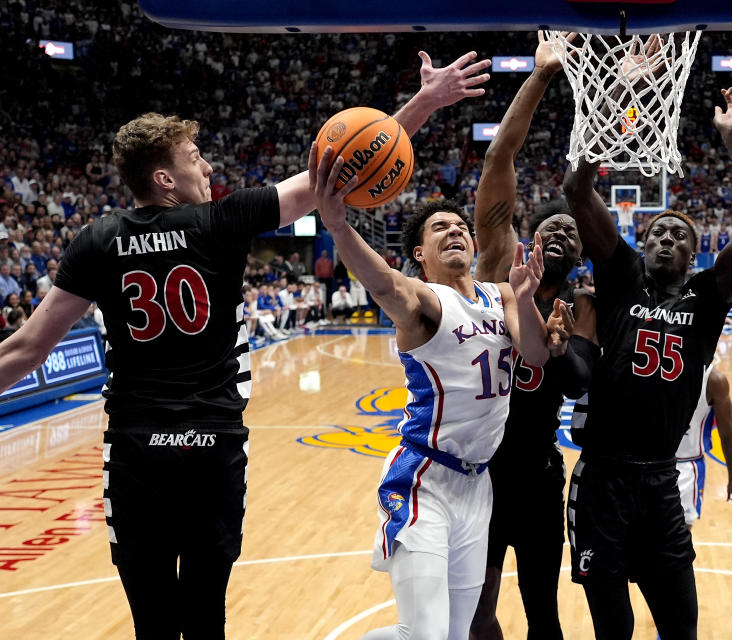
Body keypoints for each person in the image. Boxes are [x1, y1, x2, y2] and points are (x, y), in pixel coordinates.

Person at [0, 49, 492, 640]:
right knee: (207, 612)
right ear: (165, 180)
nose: (208, 169)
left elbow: (27, 348)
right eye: (195, 159)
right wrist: (425, 103)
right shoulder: (221, 222)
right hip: (213, 446)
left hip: (136, 451)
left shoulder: (95, 240)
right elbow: (339, 170)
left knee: (152, 619)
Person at [310, 139, 553, 640]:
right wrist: (338, 224)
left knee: (455, 635)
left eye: (461, 227)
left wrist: (527, 299)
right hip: (423, 480)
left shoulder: (502, 292)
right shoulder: (426, 300)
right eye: (441, 227)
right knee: (423, 635)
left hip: (477, 483)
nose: (457, 231)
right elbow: (384, 286)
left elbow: (534, 354)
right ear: (420, 253)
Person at [563, 76, 732, 639]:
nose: (666, 239)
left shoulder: (707, 297)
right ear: (641, 239)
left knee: (681, 628)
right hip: (602, 481)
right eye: (657, 231)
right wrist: (610, 108)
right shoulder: (621, 275)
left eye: (679, 236)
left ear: (694, 253)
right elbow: (577, 190)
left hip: (661, 485)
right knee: (615, 628)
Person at [469, 32, 598, 640]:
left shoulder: (582, 307)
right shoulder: (499, 263)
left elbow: (579, 386)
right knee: (477, 611)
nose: (562, 233)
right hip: (478, 468)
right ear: (532, 232)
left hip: (541, 473)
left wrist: (561, 345)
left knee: (543, 616)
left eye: (574, 234)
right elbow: (499, 158)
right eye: (553, 225)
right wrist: (543, 75)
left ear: (581, 254)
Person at [674, 364, 732, 529]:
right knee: (674, 545)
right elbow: (726, 434)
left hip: (676, 465)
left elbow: (727, 435)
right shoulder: (714, 380)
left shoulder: (714, 380)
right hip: (683, 469)